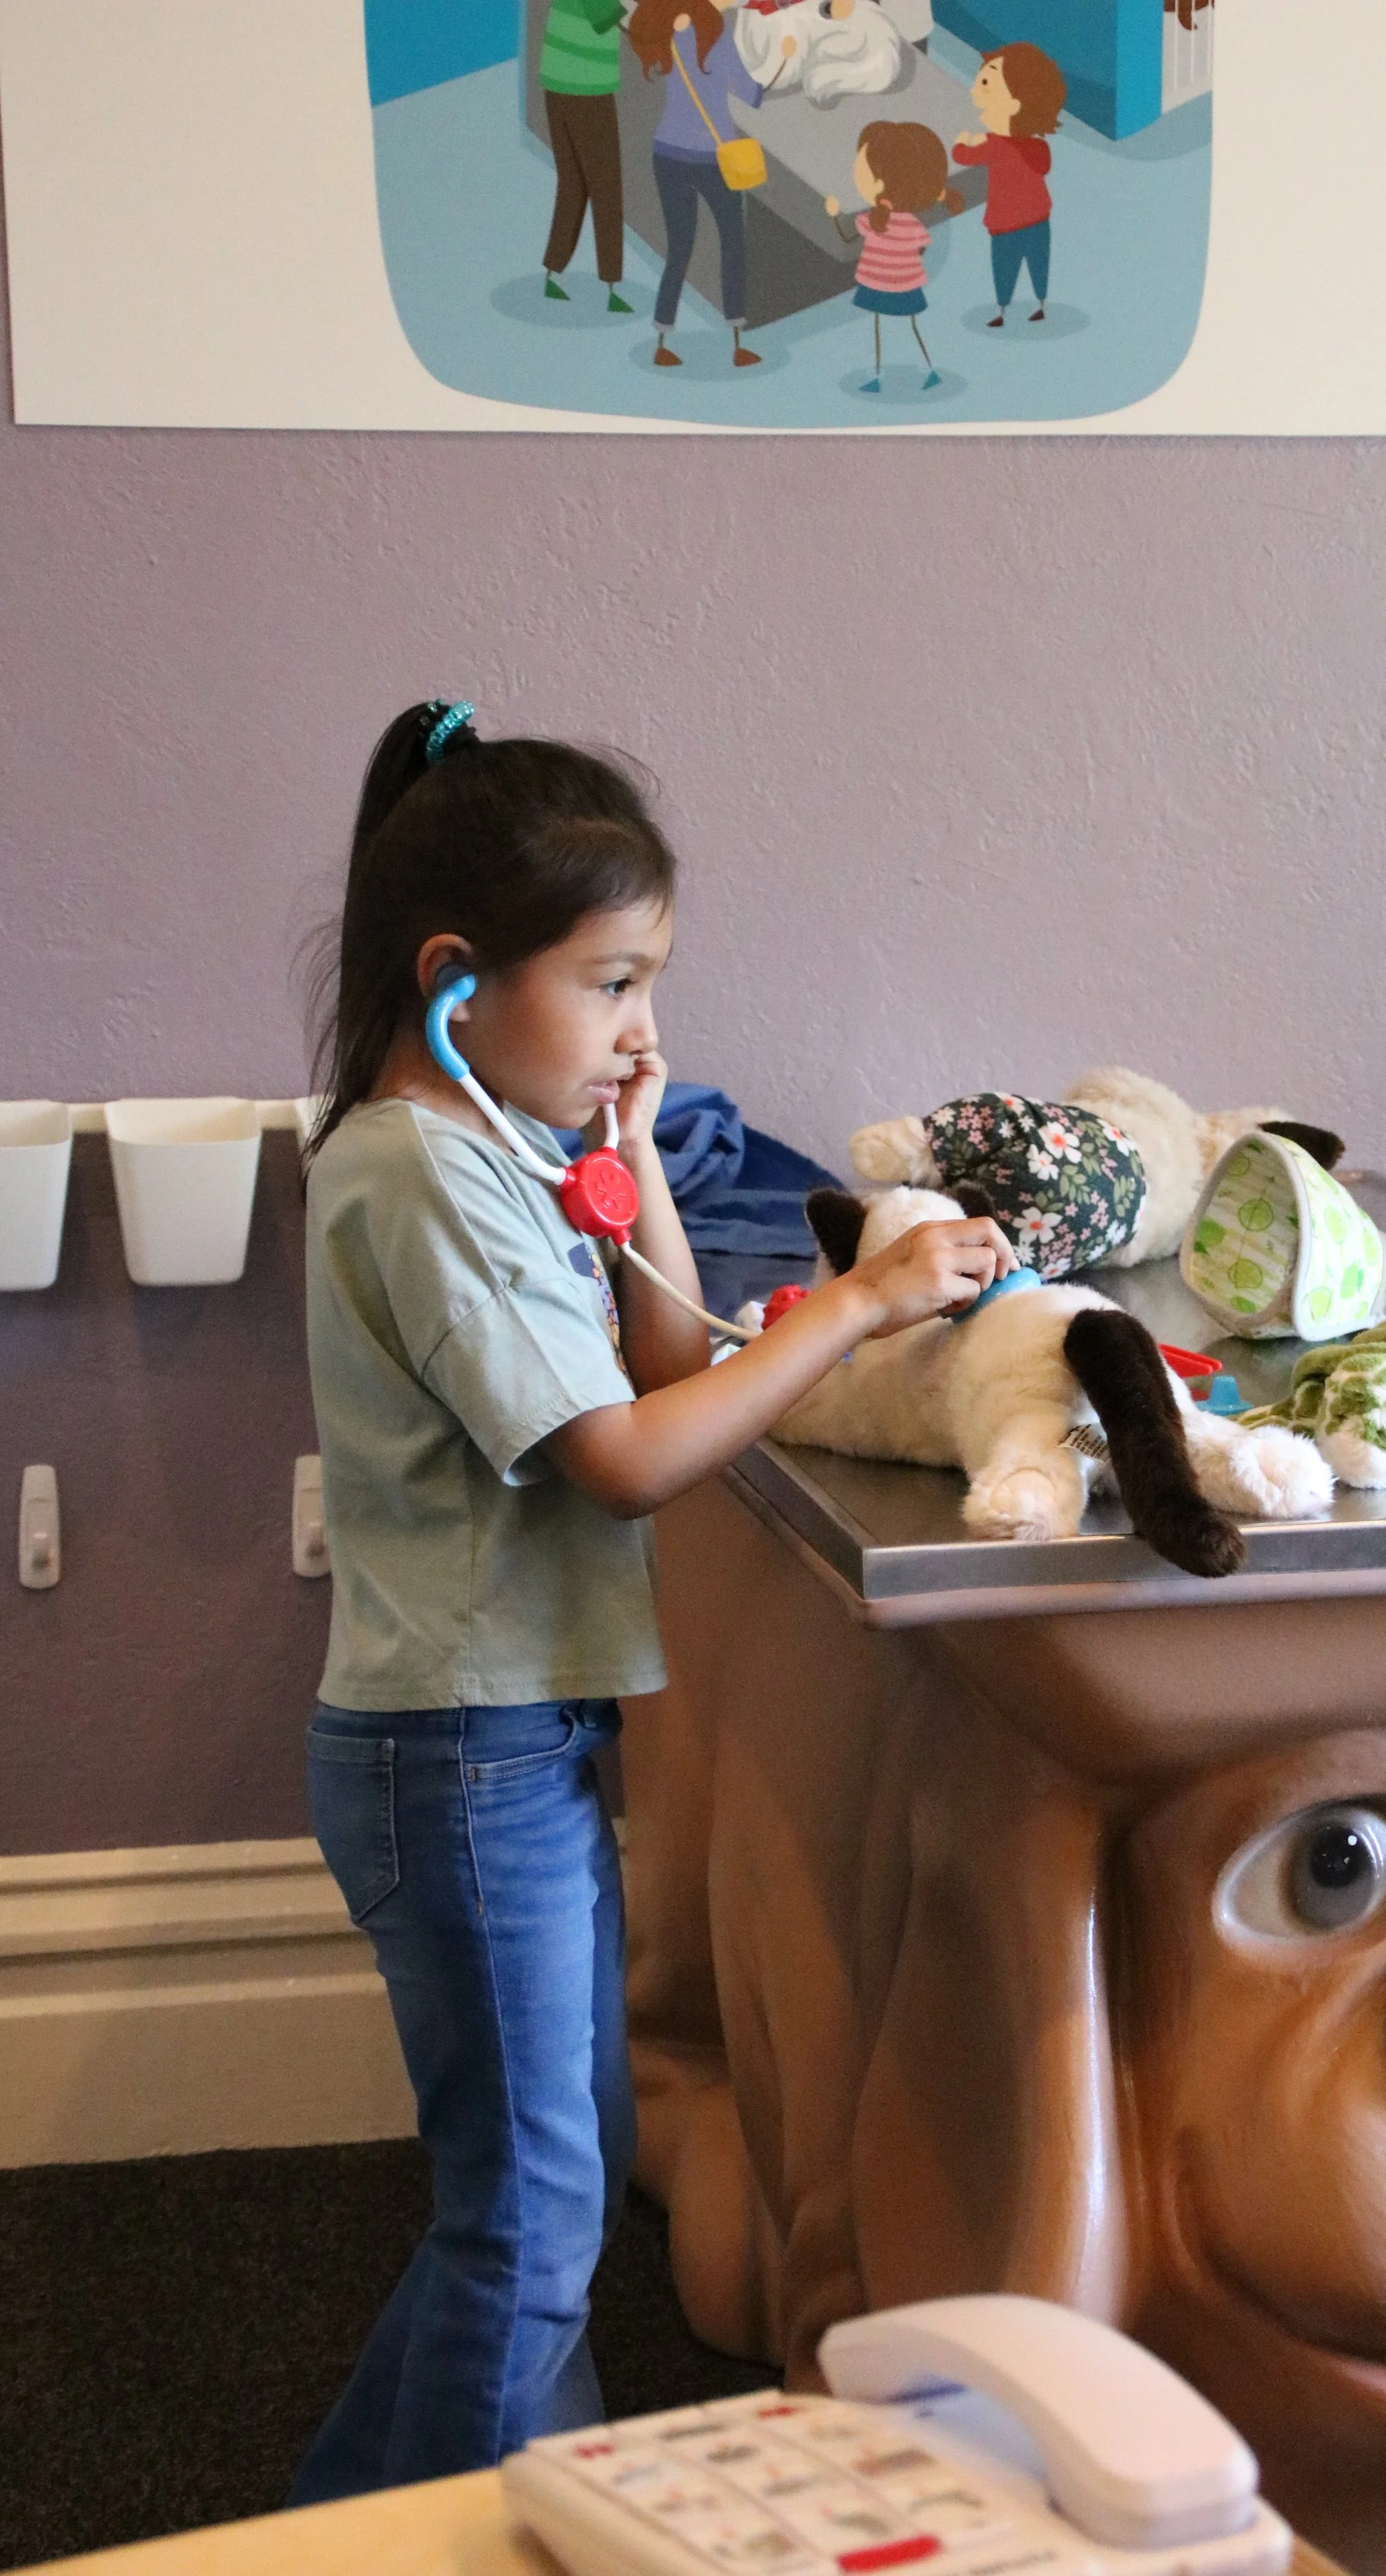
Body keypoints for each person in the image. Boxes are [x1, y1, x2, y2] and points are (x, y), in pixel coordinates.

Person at [288, 700, 1014, 2502]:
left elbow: (665, 1350)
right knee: (528, 2220)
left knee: (545, 2186)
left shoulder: (502, 1153)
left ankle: (341, 2525)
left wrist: (626, 1156)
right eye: (611, 982)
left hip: (510, 1739)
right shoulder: (415, 1175)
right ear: (458, 982)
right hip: (456, 1754)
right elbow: (623, 1448)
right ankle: (438, 2537)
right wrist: (849, 1309)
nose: (642, 1025)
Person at [628, 0, 784, 368]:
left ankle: (663, 340)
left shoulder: (662, 34)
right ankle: (737, 342)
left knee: (679, 248)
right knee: (732, 242)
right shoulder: (716, 37)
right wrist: (783, 56)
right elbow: (753, 94)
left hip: (667, 153)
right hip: (713, 159)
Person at [824, 122, 963, 394]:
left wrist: (834, 215)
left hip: (876, 285)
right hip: (907, 287)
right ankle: (930, 370)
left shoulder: (869, 221)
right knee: (911, 329)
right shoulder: (913, 225)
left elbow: (847, 239)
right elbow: (920, 248)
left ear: (879, 181)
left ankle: (878, 376)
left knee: (880, 330)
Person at [953, 42, 1066, 328]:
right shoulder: (1037, 146)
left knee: (1005, 267)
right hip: (1039, 216)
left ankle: (1003, 310)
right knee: (1039, 262)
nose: (975, 89)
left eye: (986, 84)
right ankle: (1041, 303)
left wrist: (962, 140)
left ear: (1013, 104)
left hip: (1006, 223)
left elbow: (962, 156)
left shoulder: (994, 146)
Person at [540, 0, 633, 313]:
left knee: (573, 183)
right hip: (586, 87)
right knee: (606, 189)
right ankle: (611, 285)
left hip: (558, 79)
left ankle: (554, 272)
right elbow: (613, 19)